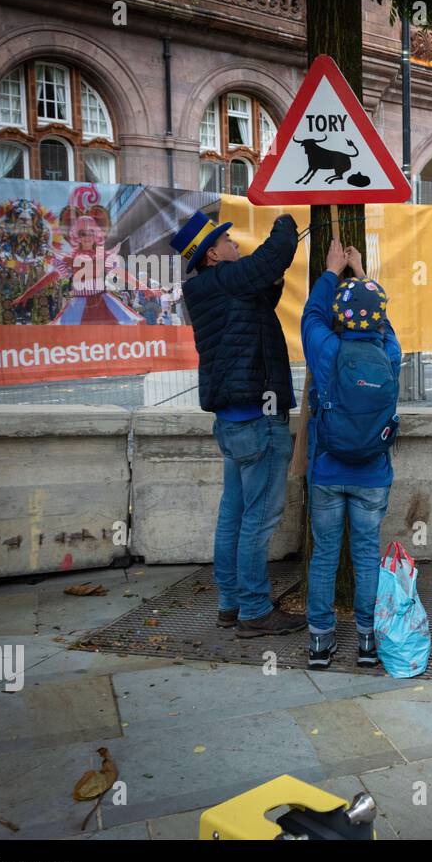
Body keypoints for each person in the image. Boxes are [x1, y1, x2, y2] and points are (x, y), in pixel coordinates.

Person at [173, 209, 303, 637]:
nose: (236, 245)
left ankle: (229, 603)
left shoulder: (207, 289)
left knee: (232, 517)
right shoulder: (226, 280)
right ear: (213, 254)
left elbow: (260, 295)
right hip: (258, 422)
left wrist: (274, 272)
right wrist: (286, 219)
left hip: (232, 425)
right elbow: (273, 255)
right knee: (257, 522)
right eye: (228, 242)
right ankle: (253, 611)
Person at [301, 239, 401, 669]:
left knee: (325, 555)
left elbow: (310, 317)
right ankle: (366, 640)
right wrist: (361, 272)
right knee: (365, 554)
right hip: (372, 473)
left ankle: (321, 642)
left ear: (340, 316)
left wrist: (330, 271)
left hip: (327, 469)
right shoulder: (389, 353)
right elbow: (384, 320)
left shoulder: (328, 350)